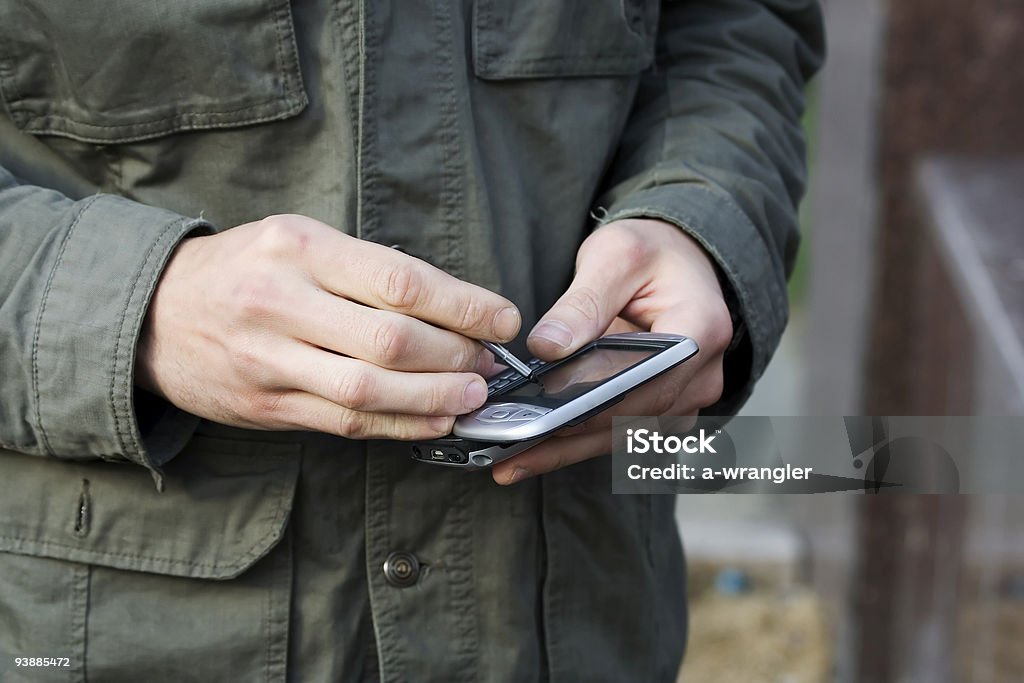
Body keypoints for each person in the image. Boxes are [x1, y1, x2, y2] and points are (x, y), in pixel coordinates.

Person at [0, 1, 823, 680]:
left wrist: (698, 215)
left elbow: (735, 26)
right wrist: (135, 304)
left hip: (572, 617)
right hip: (110, 624)